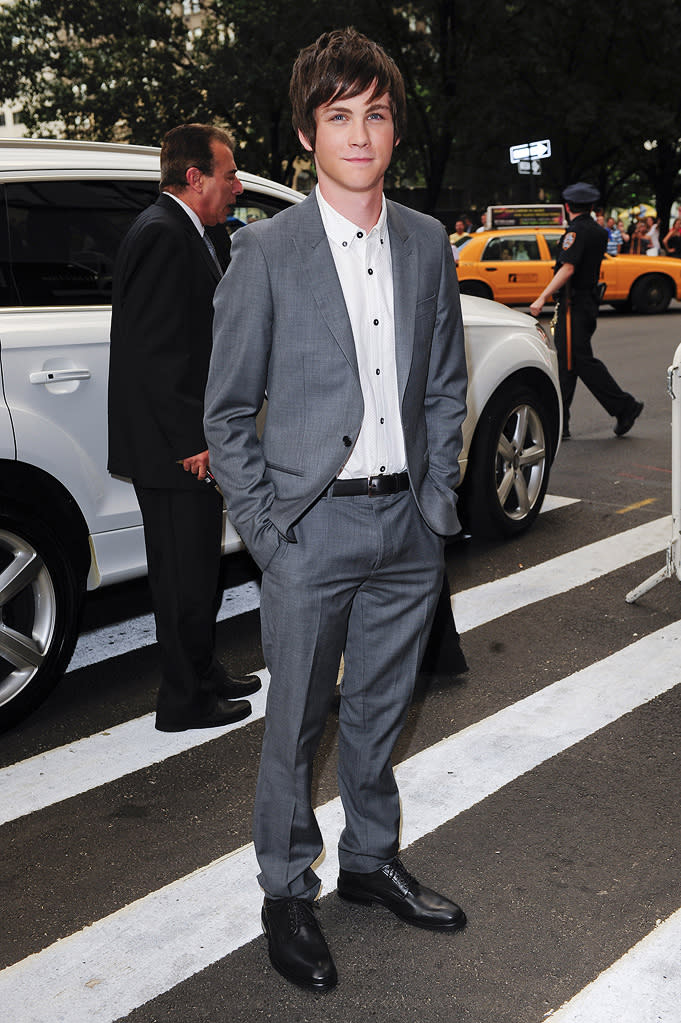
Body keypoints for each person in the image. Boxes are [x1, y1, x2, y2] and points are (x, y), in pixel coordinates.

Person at [204, 28, 468, 992]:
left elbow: (444, 381)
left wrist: (437, 499)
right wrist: (272, 536)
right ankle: (285, 889)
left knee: (381, 708)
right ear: (309, 134)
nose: (360, 133)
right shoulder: (264, 252)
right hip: (308, 532)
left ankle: (367, 861)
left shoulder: (430, 242)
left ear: (393, 128)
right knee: (297, 721)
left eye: (376, 113)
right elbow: (226, 411)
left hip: (405, 527)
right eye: (338, 115)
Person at [107, 123, 261, 733]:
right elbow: (154, 354)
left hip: (184, 443)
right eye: (228, 175)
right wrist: (191, 442)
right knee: (180, 580)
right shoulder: (163, 235)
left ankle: (202, 671)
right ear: (194, 177)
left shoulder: (190, 232)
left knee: (200, 569)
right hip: (176, 450)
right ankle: (182, 702)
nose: (238, 185)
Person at [529, 182, 643, 439]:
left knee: (577, 361)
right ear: (592, 207)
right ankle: (561, 423)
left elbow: (567, 268)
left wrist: (541, 298)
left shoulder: (576, 232)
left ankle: (625, 406)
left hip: (574, 305)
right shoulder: (598, 231)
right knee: (568, 364)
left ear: (567, 206)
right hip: (584, 304)